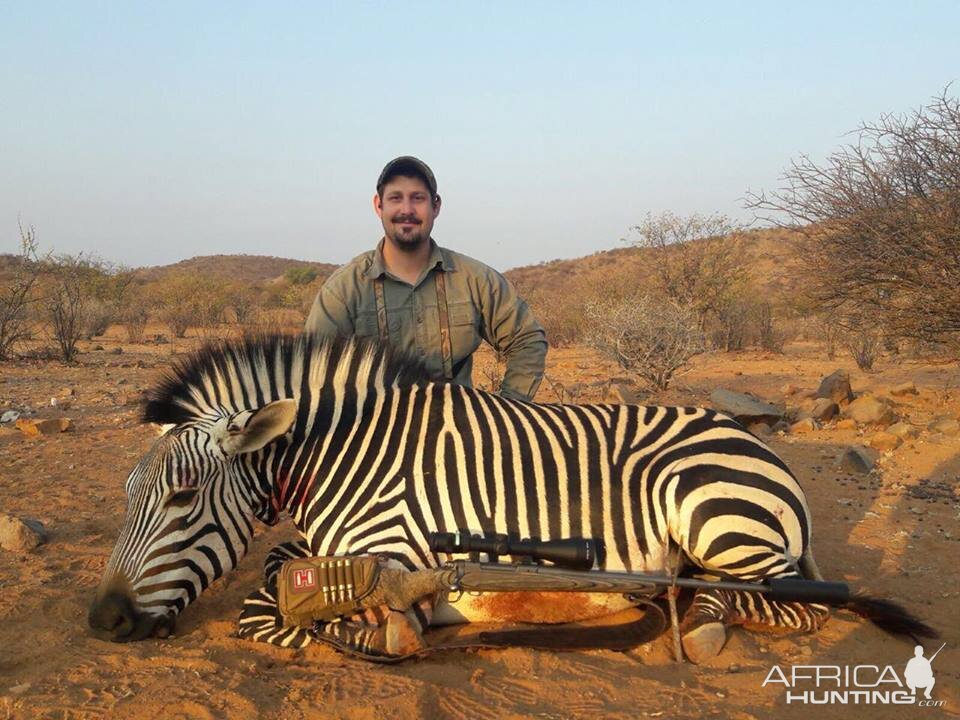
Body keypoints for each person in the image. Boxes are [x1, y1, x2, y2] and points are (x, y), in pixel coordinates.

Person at [305, 156, 547, 401]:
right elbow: (313, 371)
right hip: (380, 434)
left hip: (459, 431)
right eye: (395, 198)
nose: (407, 210)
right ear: (379, 205)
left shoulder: (475, 279)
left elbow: (527, 340)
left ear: (436, 206)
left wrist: (507, 411)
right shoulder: (344, 290)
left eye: (418, 198)